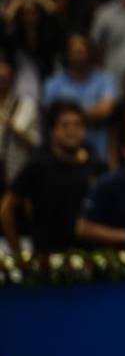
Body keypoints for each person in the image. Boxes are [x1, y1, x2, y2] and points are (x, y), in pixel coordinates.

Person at [0, 101, 102, 253]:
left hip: (90, 257)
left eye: (77, 125)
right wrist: (18, 253)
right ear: (53, 131)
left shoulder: (96, 164)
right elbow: (7, 208)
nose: (71, 131)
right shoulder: (38, 165)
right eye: (65, 125)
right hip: (47, 259)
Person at [42, 33, 116, 159]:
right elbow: (52, 116)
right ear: (67, 53)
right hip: (61, 155)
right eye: (74, 51)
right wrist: (91, 112)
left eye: (82, 51)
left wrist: (69, 116)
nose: (78, 56)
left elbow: (106, 110)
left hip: (98, 151)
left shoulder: (105, 79)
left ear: (90, 52)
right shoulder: (53, 83)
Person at [0, 51, 40, 191]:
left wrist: (12, 126)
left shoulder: (26, 105)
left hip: (16, 174)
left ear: (13, 78)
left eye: (5, 78)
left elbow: (35, 143)